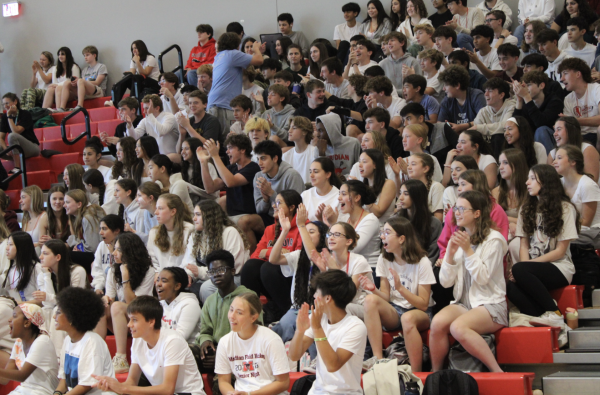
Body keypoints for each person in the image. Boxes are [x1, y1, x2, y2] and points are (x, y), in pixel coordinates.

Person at [430, 190, 508, 372]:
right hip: (464, 303)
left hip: (490, 305)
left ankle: (497, 371)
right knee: (437, 323)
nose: (456, 212)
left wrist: (468, 251)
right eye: (456, 208)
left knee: (458, 327)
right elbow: (446, 283)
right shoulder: (459, 238)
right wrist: (449, 254)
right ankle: (436, 375)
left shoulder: (494, 240)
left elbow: (482, 278)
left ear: (477, 213)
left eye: (462, 209)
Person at [507, 164, 579, 326]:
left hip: (559, 267)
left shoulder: (565, 208)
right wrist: (524, 269)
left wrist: (524, 267)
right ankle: (550, 321)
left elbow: (560, 251)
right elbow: (523, 245)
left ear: (546, 182)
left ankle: (554, 312)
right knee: (510, 287)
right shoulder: (526, 208)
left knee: (519, 269)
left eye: (532, 179)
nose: (527, 182)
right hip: (532, 269)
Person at [361, 216, 435, 371]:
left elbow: (423, 303)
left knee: (408, 318)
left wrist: (401, 288)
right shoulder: (384, 258)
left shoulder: (422, 262)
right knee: (369, 300)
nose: (382, 236)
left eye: (387, 233)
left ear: (402, 238)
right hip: (395, 309)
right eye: (382, 232)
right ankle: (378, 359)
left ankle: (415, 373)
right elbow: (386, 297)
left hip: (420, 312)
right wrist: (373, 290)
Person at [92, 296, 206, 395]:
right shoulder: (138, 340)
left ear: (151, 322)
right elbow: (131, 382)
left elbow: (168, 389)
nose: (129, 324)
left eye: (134, 320)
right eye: (129, 319)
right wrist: (113, 387)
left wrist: (123, 388)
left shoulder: (172, 340)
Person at [288, 270, 367, 395]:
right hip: (317, 391)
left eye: (317, 292)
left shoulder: (356, 326)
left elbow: (333, 365)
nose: (313, 296)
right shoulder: (318, 319)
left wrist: (317, 329)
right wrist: (300, 330)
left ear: (328, 298)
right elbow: (294, 356)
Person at [96, 232, 156, 374]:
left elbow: (135, 304)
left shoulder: (148, 270)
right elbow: (109, 295)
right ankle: (97, 356)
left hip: (142, 316)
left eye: (118, 250)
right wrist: (105, 299)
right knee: (101, 306)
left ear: (130, 251)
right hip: (121, 319)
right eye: (114, 249)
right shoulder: (112, 270)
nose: (114, 253)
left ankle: (121, 357)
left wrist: (125, 277)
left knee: (117, 306)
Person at [268, 204, 328, 343]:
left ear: (323, 236)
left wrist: (301, 225)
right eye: (304, 231)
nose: (305, 234)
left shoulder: (328, 257)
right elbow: (273, 259)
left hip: (320, 310)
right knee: (282, 327)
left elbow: (313, 254)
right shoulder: (298, 255)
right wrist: (285, 231)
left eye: (311, 232)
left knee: (311, 334)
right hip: (297, 307)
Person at [195, 249, 260, 374]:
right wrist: (206, 341)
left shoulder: (248, 297)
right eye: (212, 272)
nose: (216, 275)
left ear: (233, 271)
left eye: (221, 270)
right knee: (188, 352)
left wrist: (223, 356)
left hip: (240, 353)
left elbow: (254, 333)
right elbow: (205, 331)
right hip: (215, 350)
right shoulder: (210, 301)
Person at [215, 292, 289, 395]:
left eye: (239, 313)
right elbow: (223, 381)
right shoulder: (224, 342)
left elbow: (283, 382)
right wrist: (231, 393)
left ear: (253, 318)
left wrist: (250, 394)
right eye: (231, 310)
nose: (232, 316)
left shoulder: (271, 340)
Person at [183, 200, 250, 303]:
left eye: (198, 215)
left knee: (207, 288)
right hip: (207, 276)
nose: (194, 218)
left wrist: (200, 272)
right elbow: (189, 262)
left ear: (210, 217)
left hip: (232, 278)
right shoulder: (195, 235)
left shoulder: (229, 232)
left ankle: (218, 317)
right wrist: (189, 275)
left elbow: (233, 267)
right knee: (181, 284)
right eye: (194, 215)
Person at [54, 287, 116, 394]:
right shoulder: (68, 340)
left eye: (59, 312)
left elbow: (86, 385)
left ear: (71, 317)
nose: (54, 316)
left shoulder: (92, 341)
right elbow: (64, 379)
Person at [207, 32, 263, 139]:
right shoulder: (232, 54)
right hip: (225, 103)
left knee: (213, 140)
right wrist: (256, 49)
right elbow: (259, 60)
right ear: (237, 45)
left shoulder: (219, 56)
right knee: (229, 140)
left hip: (213, 102)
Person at [0, 303, 58, 395]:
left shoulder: (42, 341)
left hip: (43, 392)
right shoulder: (19, 342)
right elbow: (4, 379)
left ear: (27, 323)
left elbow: (22, 376)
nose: (9, 320)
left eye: (14, 316)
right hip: (24, 390)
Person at [323, 180, 381, 269]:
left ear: (357, 198)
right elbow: (331, 245)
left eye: (344, 194)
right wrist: (332, 225)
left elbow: (354, 248)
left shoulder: (370, 220)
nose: (339, 198)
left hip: (368, 268)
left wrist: (334, 224)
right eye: (339, 194)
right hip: (348, 266)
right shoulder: (345, 218)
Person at [513, 70, 565, 153]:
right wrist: (519, 100)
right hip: (533, 141)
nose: (525, 89)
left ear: (541, 85)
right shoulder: (526, 102)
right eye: (524, 86)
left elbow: (541, 122)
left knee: (541, 130)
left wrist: (526, 97)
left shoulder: (555, 101)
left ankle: (550, 163)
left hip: (554, 139)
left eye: (529, 85)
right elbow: (515, 124)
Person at [493, 148, 530, 264]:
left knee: (516, 244)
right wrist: (510, 223)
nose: (501, 167)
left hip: (526, 232)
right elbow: (494, 219)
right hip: (504, 231)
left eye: (505, 163)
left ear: (517, 165)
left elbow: (531, 220)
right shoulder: (496, 192)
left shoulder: (529, 190)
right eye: (500, 163)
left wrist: (515, 223)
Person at [252, 141, 304, 219]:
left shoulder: (292, 175)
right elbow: (259, 210)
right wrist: (265, 200)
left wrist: (271, 193)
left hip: (288, 218)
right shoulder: (258, 176)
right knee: (246, 220)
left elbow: (295, 208)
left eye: (263, 158)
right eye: (258, 159)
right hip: (269, 217)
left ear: (275, 158)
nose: (259, 163)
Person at [396, 179, 444, 262]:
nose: (400, 197)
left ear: (417, 196)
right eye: (400, 193)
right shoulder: (396, 221)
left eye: (406, 194)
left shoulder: (434, 223)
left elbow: (433, 254)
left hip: (424, 269)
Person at [554, 145, 600, 228]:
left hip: (590, 235)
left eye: (559, 158)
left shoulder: (587, 185)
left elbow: (586, 222)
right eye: (555, 158)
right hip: (568, 232)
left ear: (573, 162)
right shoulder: (558, 183)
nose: (554, 162)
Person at [146, 193, 194, 272]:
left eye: (160, 208)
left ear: (173, 211)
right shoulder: (154, 232)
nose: (156, 212)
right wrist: (158, 273)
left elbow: (189, 260)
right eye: (156, 208)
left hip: (182, 277)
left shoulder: (189, 229)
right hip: (161, 278)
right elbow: (153, 261)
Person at [471, 77, 516, 158]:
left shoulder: (511, 106)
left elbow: (505, 127)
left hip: (507, 149)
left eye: (490, 91)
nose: (485, 94)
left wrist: (478, 128)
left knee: (498, 137)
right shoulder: (483, 111)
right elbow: (475, 134)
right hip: (486, 151)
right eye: (485, 91)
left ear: (501, 95)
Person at [560, 57, 600, 146]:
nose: (561, 79)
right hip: (579, 138)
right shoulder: (568, 99)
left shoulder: (596, 89)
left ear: (578, 74)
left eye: (565, 73)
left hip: (597, 136)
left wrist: (574, 121)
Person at [156, 267, 202, 344]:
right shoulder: (160, 304)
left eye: (164, 281)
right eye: (158, 280)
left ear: (177, 286)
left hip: (188, 349)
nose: (158, 284)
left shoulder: (190, 304)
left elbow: (180, 337)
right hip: (164, 346)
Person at [56, 46, 107, 112]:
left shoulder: (101, 66)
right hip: (86, 92)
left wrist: (81, 81)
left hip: (98, 91)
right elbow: (82, 83)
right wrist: (75, 82)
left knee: (80, 81)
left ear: (94, 55)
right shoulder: (85, 70)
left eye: (87, 55)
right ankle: (61, 108)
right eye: (84, 55)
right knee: (67, 83)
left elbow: (97, 82)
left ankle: (80, 105)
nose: (85, 57)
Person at [548, 116, 599, 181]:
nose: (554, 134)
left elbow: (592, 181)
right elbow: (549, 184)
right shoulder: (552, 154)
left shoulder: (587, 149)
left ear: (570, 131)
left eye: (559, 129)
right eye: (554, 130)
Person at [130, 94, 180, 161]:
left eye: (147, 108)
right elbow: (134, 137)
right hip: (156, 159)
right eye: (143, 108)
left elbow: (161, 132)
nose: (144, 111)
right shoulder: (146, 120)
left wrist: (150, 115)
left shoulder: (169, 117)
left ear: (157, 108)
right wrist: (129, 125)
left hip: (172, 159)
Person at [437, 65, 486, 133]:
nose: (443, 89)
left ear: (457, 85)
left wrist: (461, 127)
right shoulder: (446, 101)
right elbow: (439, 124)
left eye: (446, 85)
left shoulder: (477, 96)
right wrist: (445, 126)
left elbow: (484, 120)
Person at [0, 93, 40, 172]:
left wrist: (9, 117)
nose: (5, 106)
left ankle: (17, 168)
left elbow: (16, 131)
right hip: (16, 149)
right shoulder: (4, 117)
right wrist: (6, 149)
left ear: (15, 102)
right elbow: (1, 137)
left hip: (31, 148)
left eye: (7, 103)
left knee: (12, 136)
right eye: (3, 104)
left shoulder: (25, 114)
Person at [315, 112, 362, 176]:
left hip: (350, 183)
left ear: (331, 130)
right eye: (317, 130)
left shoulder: (353, 143)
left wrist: (346, 178)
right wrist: (321, 154)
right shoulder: (319, 147)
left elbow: (359, 169)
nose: (317, 135)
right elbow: (319, 175)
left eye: (320, 131)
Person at [65, 190, 106, 261]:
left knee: (68, 256)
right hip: (95, 254)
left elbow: (92, 248)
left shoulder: (88, 217)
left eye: (67, 202)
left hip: (99, 257)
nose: (64, 205)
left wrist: (76, 243)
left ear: (79, 204)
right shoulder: (80, 217)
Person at [2, 232, 42, 302]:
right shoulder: (12, 269)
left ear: (21, 247)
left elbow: (43, 300)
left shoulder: (36, 268)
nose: (7, 248)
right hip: (16, 308)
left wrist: (21, 304)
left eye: (10, 244)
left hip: (33, 309)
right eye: (7, 244)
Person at [90, 215, 123, 295]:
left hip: (120, 289)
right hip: (104, 287)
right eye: (100, 229)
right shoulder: (102, 245)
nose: (100, 232)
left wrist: (113, 252)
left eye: (104, 229)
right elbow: (98, 270)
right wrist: (98, 287)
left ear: (117, 230)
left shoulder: (125, 246)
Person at [406, 153, 445, 221]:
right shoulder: (407, 187)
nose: (408, 167)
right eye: (408, 164)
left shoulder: (436, 187)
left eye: (413, 164)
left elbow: (438, 218)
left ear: (425, 168)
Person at [301, 158, 342, 222]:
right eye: (310, 172)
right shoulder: (305, 195)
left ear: (328, 174)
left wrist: (323, 220)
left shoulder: (339, 196)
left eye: (316, 172)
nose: (311, 175)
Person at [41, 47, 80, 111]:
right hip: (58, 91)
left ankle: (59, 109)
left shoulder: (74, 67)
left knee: (58, 88)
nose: (60, 56)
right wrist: (57, 85)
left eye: (62, 54)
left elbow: (73, 82)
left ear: (67, 55)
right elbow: (54, 83)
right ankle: (44, 111)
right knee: (51, 88)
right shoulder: (55, 68)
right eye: (59, 54)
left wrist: (58, 85)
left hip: (71, 92)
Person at [282, 116, 319, 184]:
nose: (289, 131)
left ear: (304, 132)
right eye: (290, 127)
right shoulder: (285, 156)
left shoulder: (315, 152)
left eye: (294, 128)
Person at [19, 186, 47, 252]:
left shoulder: (44, 217)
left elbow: (42, 244)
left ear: (33, 198)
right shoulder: (25, 219)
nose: (20, 201)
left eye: (23, 197)